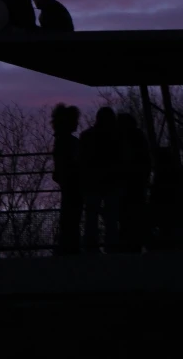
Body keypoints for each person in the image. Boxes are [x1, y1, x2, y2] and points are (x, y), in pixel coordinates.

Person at [79, 106, 120, 252]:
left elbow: (82, 160)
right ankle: (112, 247)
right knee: (111, 217)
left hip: (92, 182)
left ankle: (91, 247)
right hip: (111, 182)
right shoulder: (116, 137)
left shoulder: (86, 136)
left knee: (91, 217)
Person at [117, 113, 152, 252]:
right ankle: (136, 242)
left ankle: (127, 243)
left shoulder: (120, 139)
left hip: (127, 183)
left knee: (126, 214)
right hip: (137, 182)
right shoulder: (139, 137)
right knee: (136, 213)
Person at [51, 103, 83, 255]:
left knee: (69, 215)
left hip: (68, 182)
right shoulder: (70, 142)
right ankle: (71, 246)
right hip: (73, 182)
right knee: (72, 215)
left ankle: (68, 245)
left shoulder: (61, 141)